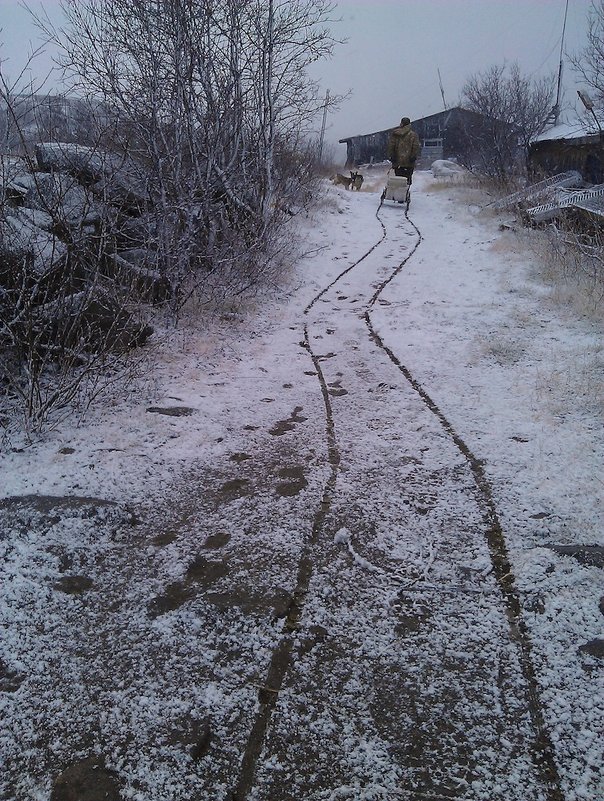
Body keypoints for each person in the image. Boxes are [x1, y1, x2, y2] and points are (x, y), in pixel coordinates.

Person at [387, 116, 421, 184]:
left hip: (397, 162)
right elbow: (416, 147)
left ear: (401, 124)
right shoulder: (413, 135)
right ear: (409, 124)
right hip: (409, 163)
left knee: (398, 180)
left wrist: (391, 156)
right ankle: (405, 193)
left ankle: (398, 193)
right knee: (407, 181)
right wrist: (413, 156)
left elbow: (391, 146)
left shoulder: (395, 134)